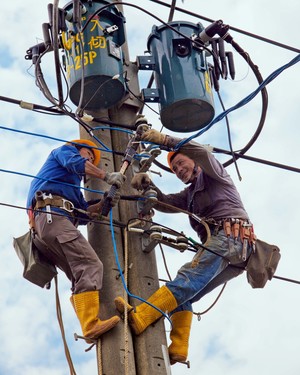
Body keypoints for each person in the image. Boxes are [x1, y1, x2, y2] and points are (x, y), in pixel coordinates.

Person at [114, 128, 256, 364]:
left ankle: (141, 317)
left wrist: (164, 140)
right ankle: (178, 348)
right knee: (185, 294)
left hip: (231, 237)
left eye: (181, 163)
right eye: (175, 169)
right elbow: (166, 203)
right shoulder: (189, 195)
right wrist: (148, 185)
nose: (179, 170)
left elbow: (200, 151)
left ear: (194, 161)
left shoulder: (214, 173)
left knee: (186, 279)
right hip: (234, 253)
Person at [27, 139, 126, 342]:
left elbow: (83, 214)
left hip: (46, 227)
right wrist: (106, 175)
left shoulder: (72, 187)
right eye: (87, 154)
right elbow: (75, 162)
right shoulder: (63, 151)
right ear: (76, 148)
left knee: (79, 273)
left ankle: (89, 324)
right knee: (90, 264)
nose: (89, 159)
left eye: (91, 158)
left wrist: (104, 204)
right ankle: (90, 324)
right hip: (52, 217)